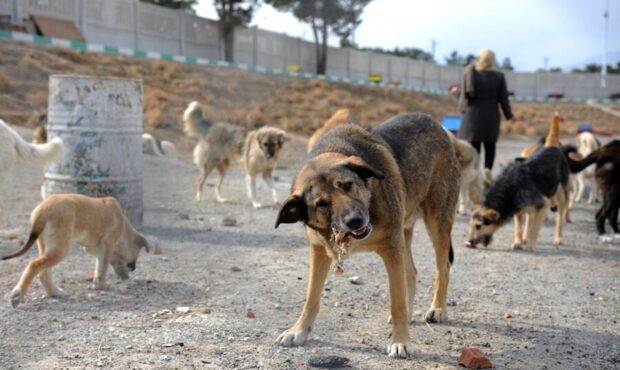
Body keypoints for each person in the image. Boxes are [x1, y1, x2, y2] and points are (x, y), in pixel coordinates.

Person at [458, 49, 514, 173]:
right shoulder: (499, 77)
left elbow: (465, 94)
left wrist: (455, 93)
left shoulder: (470, 74)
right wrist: (509, 115)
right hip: (491, 117)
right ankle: (487, 172)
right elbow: (503, 99)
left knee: (473, 148)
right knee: (490, 147)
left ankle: (474, 173)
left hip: (472, 116)